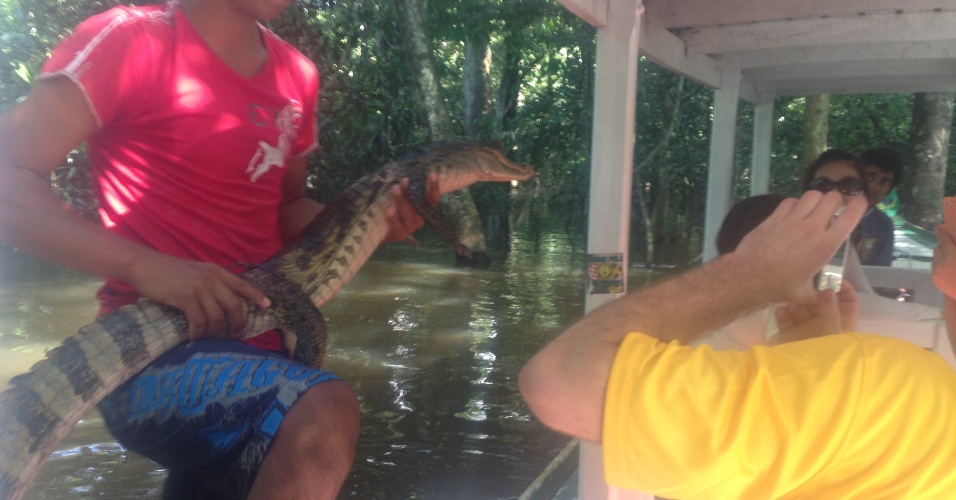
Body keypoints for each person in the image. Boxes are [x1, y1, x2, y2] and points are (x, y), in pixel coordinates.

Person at [0, 0, 438, 498]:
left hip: (268, 353)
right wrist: (142, 265)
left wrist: (374, 220)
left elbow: (285, 206)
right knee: (321, 413)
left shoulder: (296, 74)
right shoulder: (130, 40)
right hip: (150, 354)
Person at [519, 190, 956, 497]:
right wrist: (814, 364)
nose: (942, 219)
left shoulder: (886, 388)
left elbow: (560, 381)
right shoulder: (903, 390)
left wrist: (748, 275)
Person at [802, 148, 894, 266]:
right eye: (823, 185)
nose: (835, 195)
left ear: (865, 193)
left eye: (850, 185)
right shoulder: (791, 232)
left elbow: (882, 277)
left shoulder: (882, 225)